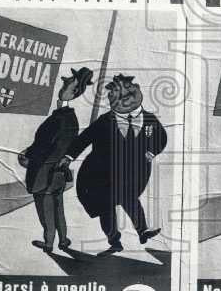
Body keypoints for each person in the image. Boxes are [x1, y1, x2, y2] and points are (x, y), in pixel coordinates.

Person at [61, 73, 167, 254]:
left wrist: (151, 151)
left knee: (130, 200)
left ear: (137, 91)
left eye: (128, 93)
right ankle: (114, 241)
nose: (125, 99)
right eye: (117, 95)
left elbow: (161, 137)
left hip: (132, 173)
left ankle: (142, 231)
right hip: (102, 175)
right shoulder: (105, 120)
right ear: (111, 99)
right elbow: (84, 139)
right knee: (106, 207)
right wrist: (69, 157)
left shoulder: (149, 120)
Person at [18, 67, 94, 253]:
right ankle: (63, 240)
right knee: (58, 207)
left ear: (74, 91)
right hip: (58, 172)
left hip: (44, 171)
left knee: (45, 209)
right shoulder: (69, 117)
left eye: (66, 86)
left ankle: (49, 243)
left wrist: (28, 155)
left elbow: (46, 145)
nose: (62, 88)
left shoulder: (60, 118)